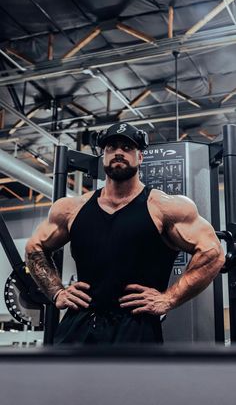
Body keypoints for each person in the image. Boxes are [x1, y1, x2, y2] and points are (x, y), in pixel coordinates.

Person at [25, 122, 225, 344]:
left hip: (136, 328)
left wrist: (169, 299)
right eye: (111, 147)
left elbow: (213, 253)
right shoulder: (71, 208)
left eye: (127, 148)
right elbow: (34, 248)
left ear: (140, 157)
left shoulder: (163, 207)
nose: (118, 152)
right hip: (78, 326)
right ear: (103, 156)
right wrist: (56, 292)